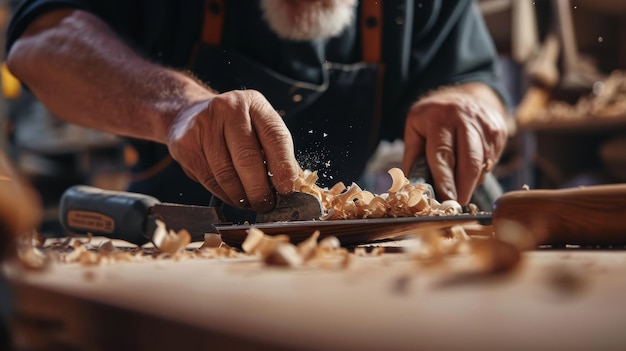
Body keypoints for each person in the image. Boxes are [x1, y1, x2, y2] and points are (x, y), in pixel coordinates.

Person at [5, 0, 510, 222]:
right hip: (169, 249)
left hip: (341, 265)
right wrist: (177, 108)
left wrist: (468, 105)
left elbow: (478, 84)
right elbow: (40, 42)